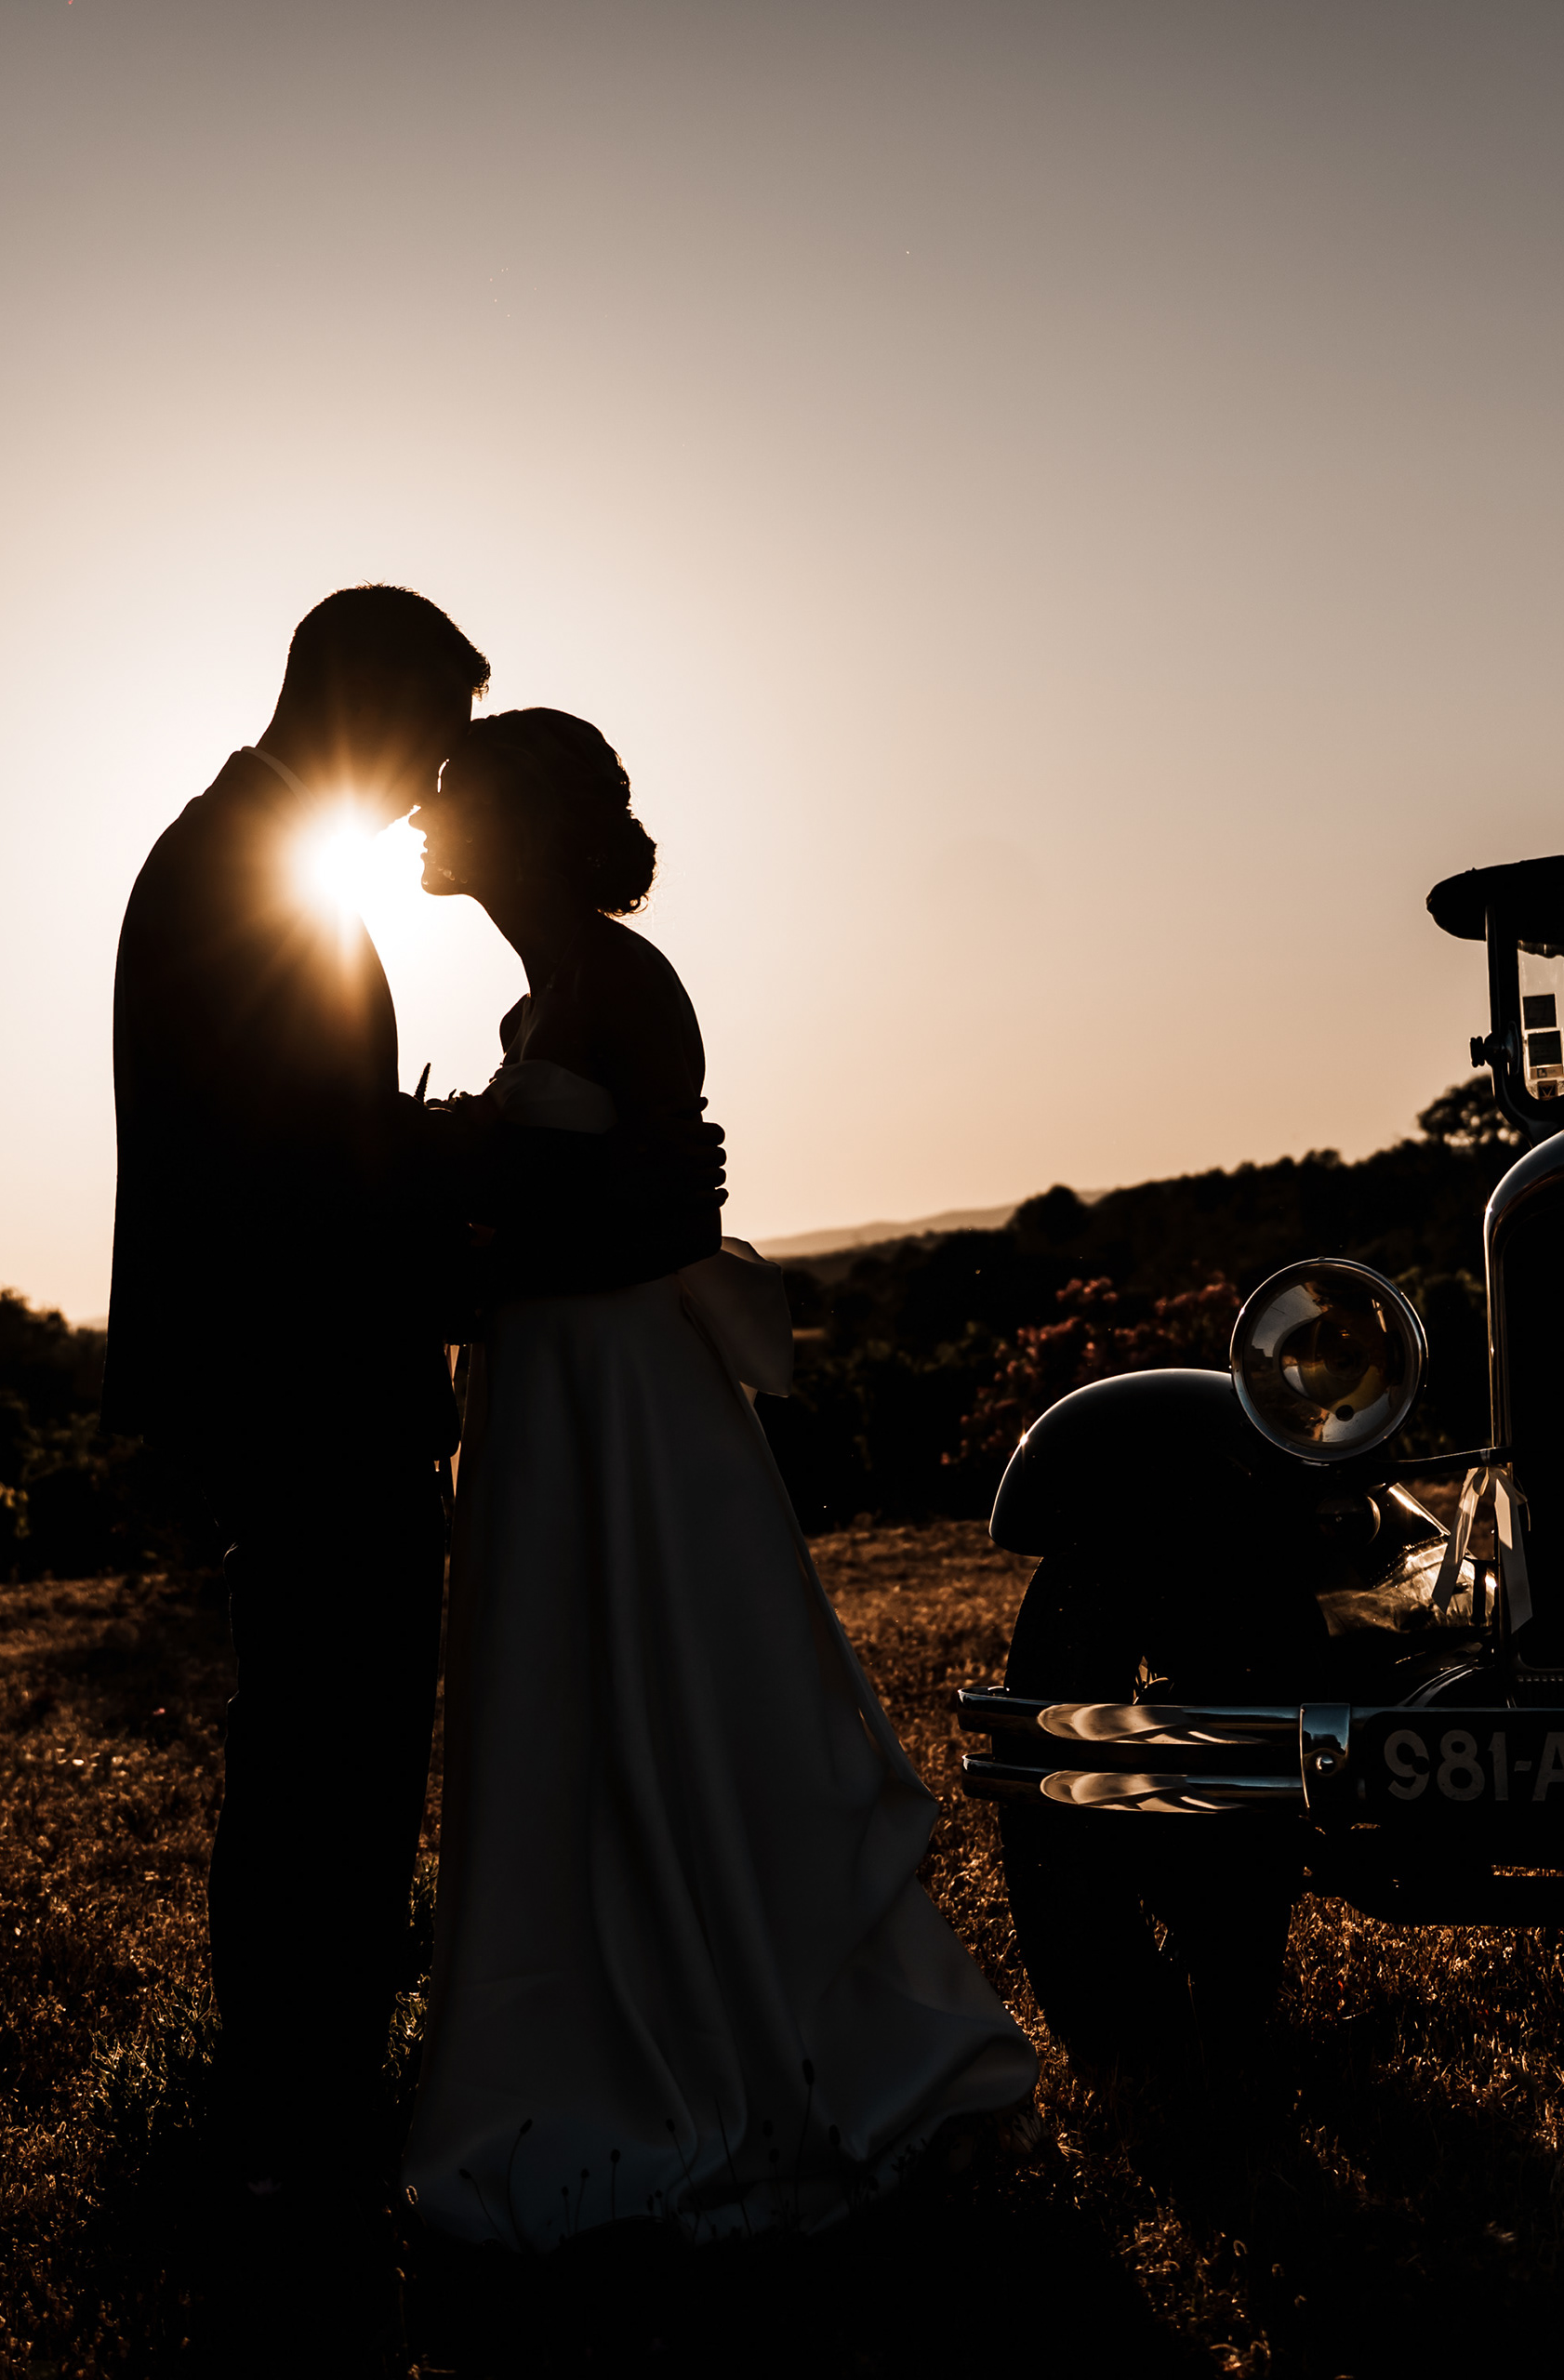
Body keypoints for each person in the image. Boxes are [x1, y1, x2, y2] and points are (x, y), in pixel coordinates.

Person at [104, 588, 723, 2189]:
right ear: (361, 704)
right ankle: (298, 2102)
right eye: (433, 736)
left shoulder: (243, 864)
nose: (436, 777)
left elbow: (327, 1145)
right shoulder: (240, 879)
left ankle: (305, 2086)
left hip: (313, 1370)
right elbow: (304, 1177)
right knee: (328, 1746)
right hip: (307, 1380)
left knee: (337, 1741)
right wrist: (498, 1175)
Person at [398, 709, 1035, 2249]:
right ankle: (603, 2021)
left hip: (623, 1390)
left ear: (529, 824)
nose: (418, 810)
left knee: (682, 1687)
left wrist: (458, 1200)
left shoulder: (623, 983)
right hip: (549, 1390)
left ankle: (780, 2052)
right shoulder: (538, 999)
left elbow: (662, 1213)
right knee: (570, 1705)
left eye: (449, 790)